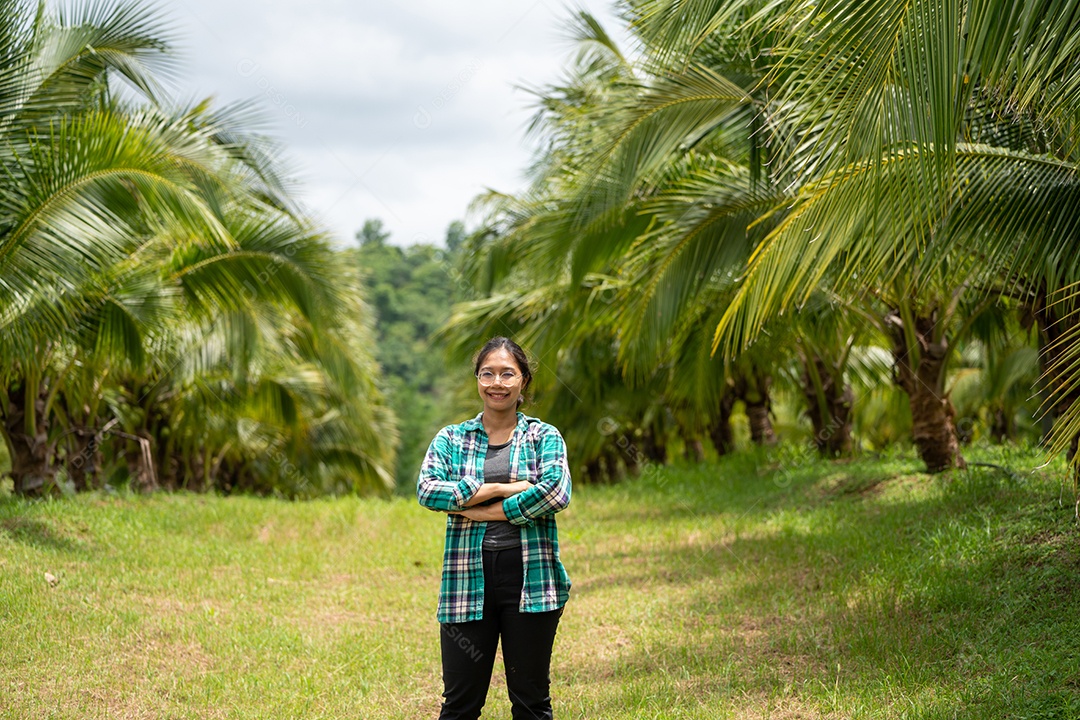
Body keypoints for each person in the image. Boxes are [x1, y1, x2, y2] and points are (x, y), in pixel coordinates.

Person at [417, 336, 572, 720]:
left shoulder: (543, 437)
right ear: (477, 379)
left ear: (523, 381)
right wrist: (503, 488)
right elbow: (429, 491)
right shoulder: (451, 439)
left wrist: (488, 512)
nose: (496, 383)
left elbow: (555, 492)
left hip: (530, 577)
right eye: (487, 374)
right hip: (466, 578)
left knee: (531, 702)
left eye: (507, 374)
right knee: (459, 705)